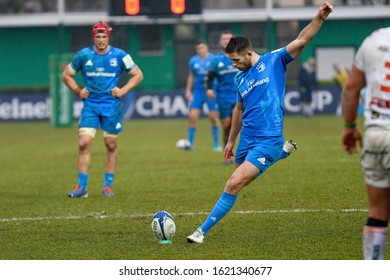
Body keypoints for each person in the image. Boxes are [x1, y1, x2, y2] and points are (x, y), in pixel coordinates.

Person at [187, 2, 333, 243]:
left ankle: (200, 232)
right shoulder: (239, 78)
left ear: (248, 53)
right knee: (240, 181)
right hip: (247, 139)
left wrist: (319, 18)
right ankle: (281, 154)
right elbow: (238, 109)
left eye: (235, 60)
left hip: (268, 138)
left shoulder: (274, 61)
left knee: (233, 184)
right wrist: (231, 140)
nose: (233, 64)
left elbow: (301, 40)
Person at [61, 21, 143, 198]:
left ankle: (107, 186)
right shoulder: (83, 55)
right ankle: (82, 187)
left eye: (104, 36)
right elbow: (66, 75)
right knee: (83, 143)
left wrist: (123, 90)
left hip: (111, 107)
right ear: (94, 37)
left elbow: (138, 75)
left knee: (110, 145)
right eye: (98, 37)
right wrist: (77, 90)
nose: (101, 40)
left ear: (108, 37)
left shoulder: (120, 55)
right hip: (90, 106)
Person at [342, 27, 390, 260]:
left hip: (376, 135)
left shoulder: (374, 39)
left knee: (378, 213)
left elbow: (351, 88)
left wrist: (350, 127)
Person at [205, 30, 239, 164]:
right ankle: (228, 154)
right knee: (226, 126)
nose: (226, 41)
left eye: (229, 39)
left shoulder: (240, 56)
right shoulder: (216, 60)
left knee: (237, 125)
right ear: (220, 42)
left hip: (239, 97)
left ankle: (239, 153)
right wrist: (209, 89)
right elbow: (209, 77)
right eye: (224, 39)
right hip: (223, 97)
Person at [185, 40, 221, 151]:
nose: (201, 50)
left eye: (202, 48)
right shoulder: (193, 61)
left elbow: (218, 75)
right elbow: (191, 76)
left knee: (213, 118)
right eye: (198, 49)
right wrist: (188, 90)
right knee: (192, 117)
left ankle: (216, 144)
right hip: (198, 92)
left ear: (206, 48)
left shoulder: (213, 59)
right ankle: (190, 144)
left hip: (211, 91)